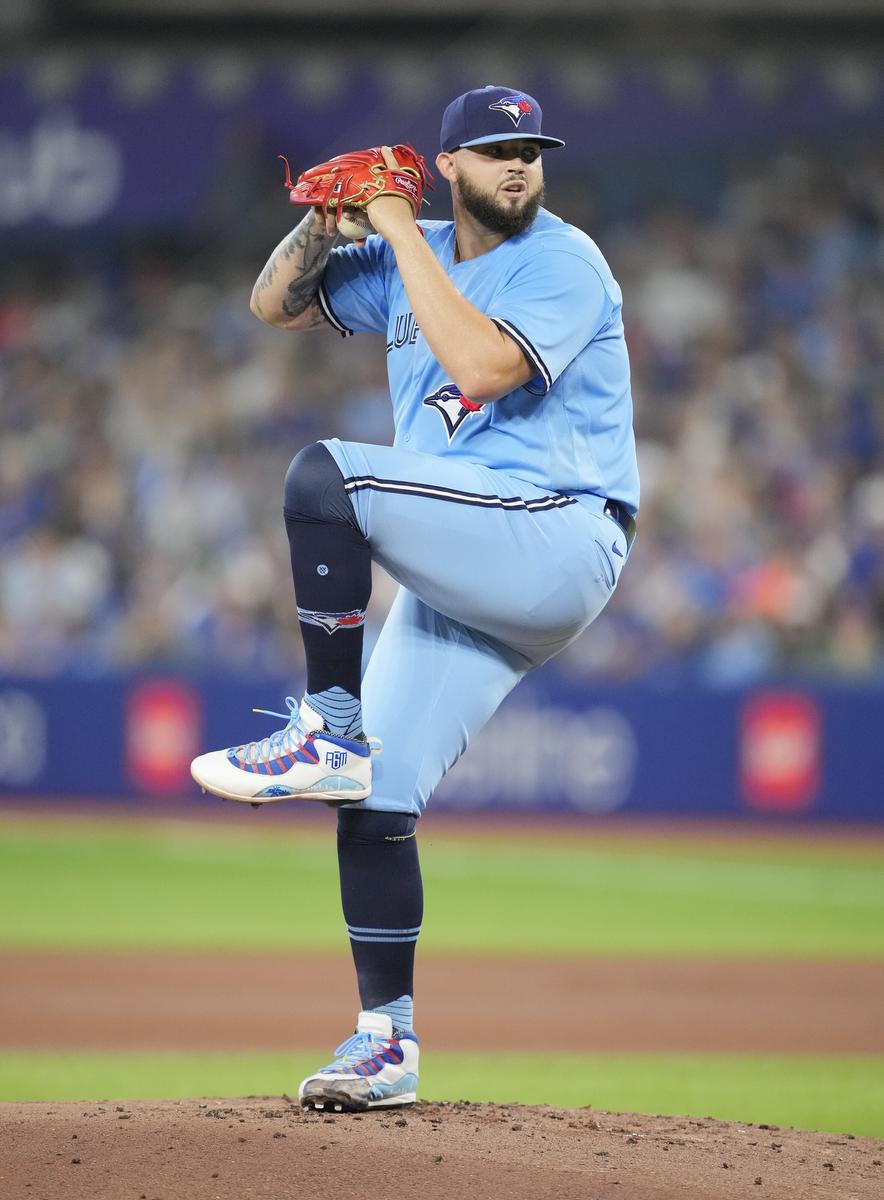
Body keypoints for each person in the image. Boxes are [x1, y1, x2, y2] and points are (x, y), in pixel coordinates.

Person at [191, 85, 639, 1112]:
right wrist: (323, 222)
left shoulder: (562, 260)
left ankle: (325, 722)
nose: (516, 165)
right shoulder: (412, 248)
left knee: (326, 477)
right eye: (492, 150)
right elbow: (272, 304)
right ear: (449, 165)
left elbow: (480, 366)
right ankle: (381, 1043)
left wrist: (393, 225)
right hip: (471, 550)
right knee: (373, 802)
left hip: (552, 528)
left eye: (528, 148)